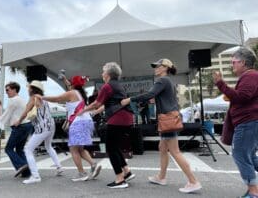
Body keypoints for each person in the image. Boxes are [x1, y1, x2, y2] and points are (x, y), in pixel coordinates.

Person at [121, 58, 201, 193]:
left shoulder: (162, 80)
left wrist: (130, 99)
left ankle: (193, 181)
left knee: (175, 151)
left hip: (167, 119)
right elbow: (156, 97)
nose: (155, 68)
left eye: (158, 66)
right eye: (155, 66)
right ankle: (161, 177)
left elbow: (150, 94)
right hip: (169, 118)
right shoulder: (168, 81)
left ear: (165, 68)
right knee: (162, 148)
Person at [79, 62, 135, 189]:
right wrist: (93, 113)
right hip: (126, 118)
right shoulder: (118, 86)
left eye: (103, 71)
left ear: (109, 74)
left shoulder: (107, 86)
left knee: (110, 148)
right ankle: (126, 171)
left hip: (117, 119)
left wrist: (82, 111)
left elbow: (96, 103)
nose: (102, 73)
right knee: (115, 147)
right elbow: (107, 105)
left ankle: (120, 179)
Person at [213, 47, 258, 198]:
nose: (232, 65)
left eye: (234, 62)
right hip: (250, 122)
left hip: (248, 122)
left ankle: (253, 192)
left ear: (243, 62)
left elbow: (242, 97)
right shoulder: (250, 76)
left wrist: (221, 84)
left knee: (240, 154)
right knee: (250, 157)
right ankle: (253, 190)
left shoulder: (250, 76)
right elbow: (243, 96)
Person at [38, 76, 102, 182]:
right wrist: (64, 80)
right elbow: (69, 86)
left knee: (73, 149)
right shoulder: (80, 93)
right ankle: (93, 164)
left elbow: (57, 99)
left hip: (78, 122)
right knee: (80, 149)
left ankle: (82, 173)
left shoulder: (72, 93)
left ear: (73, 84)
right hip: (86, 121)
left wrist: (42, 97)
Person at [14, 80, 63, 184]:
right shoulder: (42, 98)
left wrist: (18, 121)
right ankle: (59, 167)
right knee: (48, 146)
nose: (28, 89)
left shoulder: (33, 98)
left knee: (28, 150)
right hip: (51, 125)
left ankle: (35, 176)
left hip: (42, 127)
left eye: (29, 88)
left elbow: (25, 112)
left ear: (32, 89)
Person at [0, 82, 33, 178]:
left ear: (14, 90)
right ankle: (27, 171)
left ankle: (21, 165)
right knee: (19, 149)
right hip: (27, 125)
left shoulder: (13, 100)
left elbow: (6, 115)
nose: (6, 92)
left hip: (20, 127)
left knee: (8, 148)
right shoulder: (20, 99)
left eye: (7, 90)